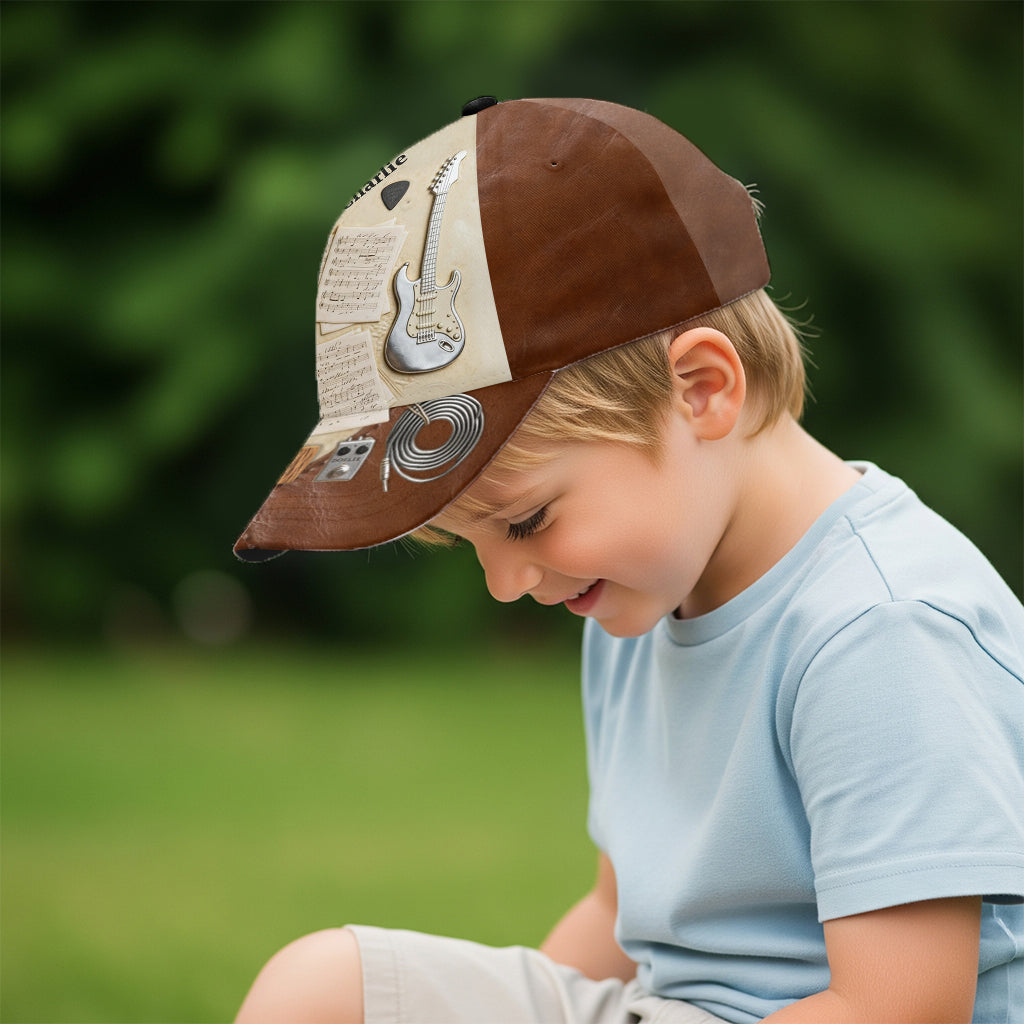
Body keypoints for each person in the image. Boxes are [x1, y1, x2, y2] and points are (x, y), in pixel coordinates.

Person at [232, 98, 1024, 1023]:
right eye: (471, 543)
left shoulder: (880, 629)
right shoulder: (635, 597)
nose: (506, 585)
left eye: (526, 521)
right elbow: (620, 915)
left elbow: (899, 1008)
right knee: (323, 989)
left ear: (702, 391)